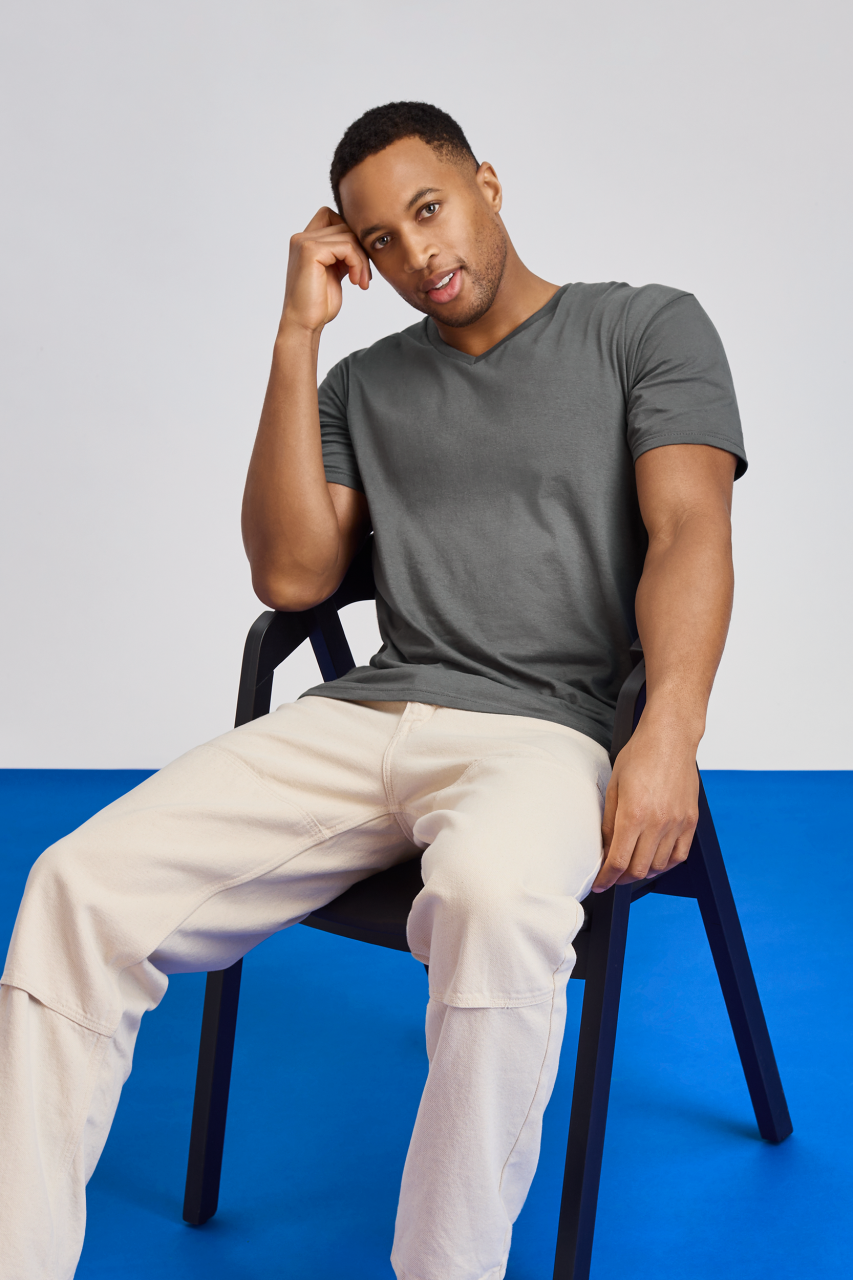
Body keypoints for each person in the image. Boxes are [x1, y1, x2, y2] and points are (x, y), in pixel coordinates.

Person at [0, 101, 746, 1280]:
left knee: (494, 901)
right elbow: (293, 576)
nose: (416, 252)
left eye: (429, 208)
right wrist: (297, 335)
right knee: (72, 887)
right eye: (381, 238)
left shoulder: (643, 327)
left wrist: (668, 733)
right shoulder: (361, 383)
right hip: (362, 721)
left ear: (487, 183)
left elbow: (689, 530)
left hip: (546, 733)